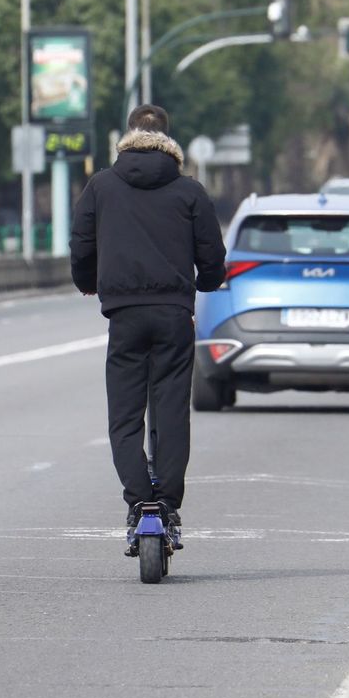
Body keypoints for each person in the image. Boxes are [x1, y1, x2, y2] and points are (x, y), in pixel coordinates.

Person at [70, 103, 226, 556]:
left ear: (129, 135)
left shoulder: (101, 186)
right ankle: (169, 505)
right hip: (175, 315)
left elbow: (82, 246)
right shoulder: (189, 191)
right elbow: (211, 255)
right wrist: (208, 281)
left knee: (124, 416)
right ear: (168, 140)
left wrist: (88, 284)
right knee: (172, 411)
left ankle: (140, 501)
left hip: (124, 316)